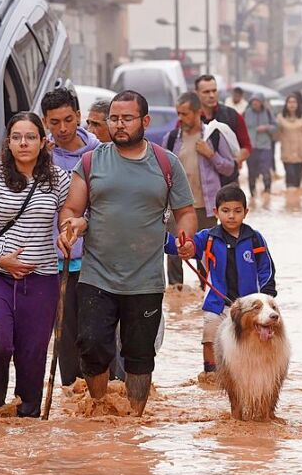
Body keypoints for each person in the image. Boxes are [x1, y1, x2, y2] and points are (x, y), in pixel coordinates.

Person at [57, 90, 198, 416]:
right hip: (97, 276)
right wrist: (71, 226)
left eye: (127, 118)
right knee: (91, 347)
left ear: (145, 121)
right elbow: (72, 209)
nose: (119, 125)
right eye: (114, 119)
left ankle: (134, 421)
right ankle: (100, 409)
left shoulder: (166, 163)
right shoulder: (92, 162)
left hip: (145, 279)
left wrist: (185, 237)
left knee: (139, 356)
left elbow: (186, 212)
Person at [0, 112, 71, 417]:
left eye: (30, 137)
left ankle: (27, 423)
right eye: (16, 137)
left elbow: (71, 214)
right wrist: (1, 258)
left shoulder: (58, 178)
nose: (23, 143)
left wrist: (68, 232)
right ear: (8, 142)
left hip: (41, 280)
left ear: (43, 142)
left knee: (33, 355)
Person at [163, 184, 276, 374]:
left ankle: (247, 375)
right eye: (226, 211)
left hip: (248, 307)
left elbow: (267, 269)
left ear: (246, 212)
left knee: (251, 341)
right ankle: (211, 375)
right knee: (210, 338)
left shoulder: (255, 239)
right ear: (216, 212)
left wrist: (266, 298)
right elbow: (180, 247)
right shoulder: (207, 238)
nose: (231, 215)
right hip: (217, 303)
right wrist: (159, 235)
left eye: (237, 211)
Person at [41, 87, 99, 389]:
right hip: (55, 262)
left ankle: (100, 392)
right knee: (64, 337)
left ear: (78, 117)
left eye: (67, 120)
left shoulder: (99, 153)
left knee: (96, 335)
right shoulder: (41, 157)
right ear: (45, 122)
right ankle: (72, 395)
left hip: (95, 261)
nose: (62, 129)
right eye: (54, 122)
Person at [162, 91, 235, 288]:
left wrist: (211, 155)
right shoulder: (170, 139)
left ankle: (207, 292)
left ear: (198, 113)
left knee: (206, 253)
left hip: (206, 206)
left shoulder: (214, 137)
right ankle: (176, 294)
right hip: (177, 207)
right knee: (174, 253)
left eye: (185, 114)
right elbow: (161, 172)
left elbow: (229, 167)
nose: (180, 118)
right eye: (178, 113)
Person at [195, 75, 250, 185]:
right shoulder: (190, 119)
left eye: (214, 91)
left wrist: (234, 163)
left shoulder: (232, 116)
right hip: (200, 182)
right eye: (206, 92)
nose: (211, 95)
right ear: (197, 93)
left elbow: (246, 146)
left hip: (228, 181)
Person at [275, 94, 302, 190]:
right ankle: (289, 203)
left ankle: (296, 204)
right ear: (286, 104)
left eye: (294, 102)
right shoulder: (280, 118)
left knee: (297, 182)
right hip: (287, 154)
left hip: (301, 154)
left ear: (298, 104)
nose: (292, 104)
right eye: (290, 102)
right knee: (290, 179)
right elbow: (276, 136)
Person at [242, 93, 277, 197]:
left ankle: (267, 193)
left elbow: (276, 127)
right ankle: (252, 195)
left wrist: (266, 127)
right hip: (251, 147)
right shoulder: (246, 113)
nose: (255, 103)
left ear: (262, 103)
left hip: (265, 146)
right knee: (251, 172)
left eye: (257, 101)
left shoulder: (268, 112)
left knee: (266, 170)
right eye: (253, 101)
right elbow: (240, 127)